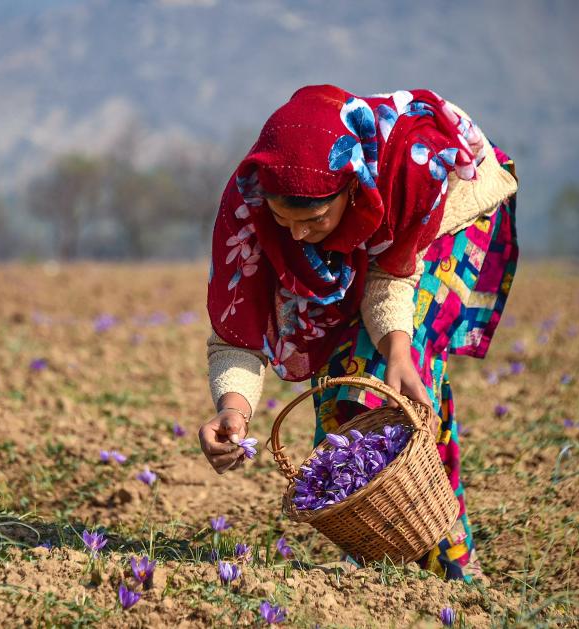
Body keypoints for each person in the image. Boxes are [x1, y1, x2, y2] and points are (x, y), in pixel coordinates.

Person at [197, 85, 518, 582]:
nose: (297, 235)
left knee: (376, 377)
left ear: (351, 189)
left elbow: (392, 277)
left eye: (312, 220)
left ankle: (442, 557)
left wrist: (399, 352)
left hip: (450, 205)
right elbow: (237, 330)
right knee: (342, 384)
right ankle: (380, 553)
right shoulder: (250, 210)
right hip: (374, 240)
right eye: (285, 221)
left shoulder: (408, 170)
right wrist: (232, 412)